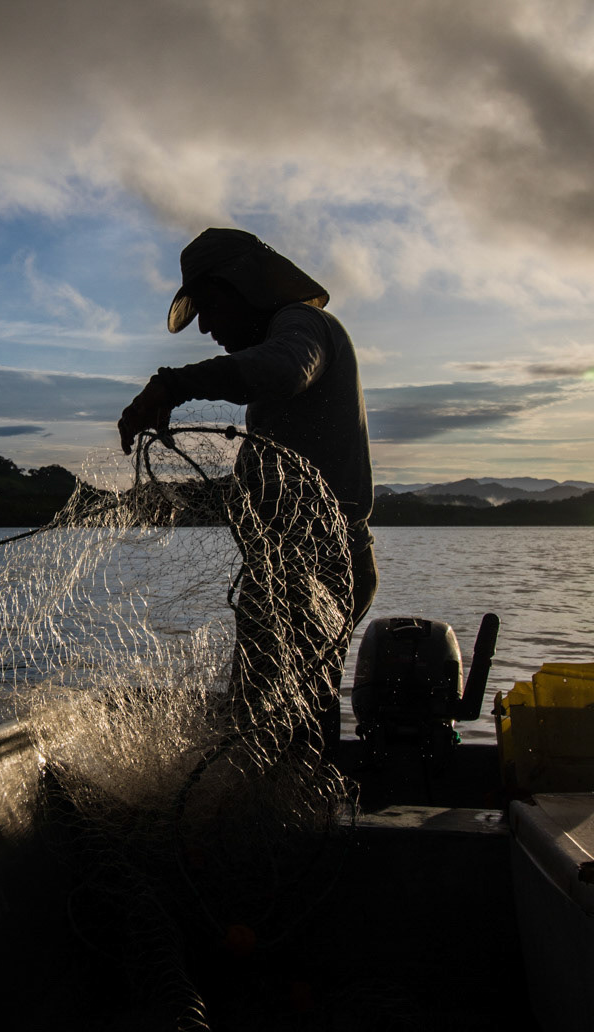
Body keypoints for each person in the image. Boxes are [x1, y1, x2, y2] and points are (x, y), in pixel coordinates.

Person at [117, 228, 376, 744]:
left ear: (246, 286)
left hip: (322, 566)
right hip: (281, 568)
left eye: (210, 305)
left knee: (291, 728)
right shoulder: (277, 348)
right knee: (256, 721)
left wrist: (175, 384)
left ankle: (304, 791)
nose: (205, 326)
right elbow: (267, 476)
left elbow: (285, 369)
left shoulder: (304, 325)